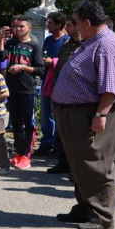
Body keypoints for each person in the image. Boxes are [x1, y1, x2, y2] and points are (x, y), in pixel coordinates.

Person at [51, 0, 115, 229]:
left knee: (96, 162)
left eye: (76, 23)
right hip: (79, 112)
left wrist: (100, 114)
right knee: (80, 162)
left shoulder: (107, 45)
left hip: (98, 111)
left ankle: (101, 215)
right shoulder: (91, 42)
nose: (75, 27)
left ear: (88, 23)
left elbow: (110, 88)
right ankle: (87, 207)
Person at [6, 15, 44, 169]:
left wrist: (22, 68)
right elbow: (2, 58)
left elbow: (40, 69)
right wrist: (2, 40)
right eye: (16, 27)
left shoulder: (34, 46)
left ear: (29, 28)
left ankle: (26, 155)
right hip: (12, 89)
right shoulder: (11, 43)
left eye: (22, 26)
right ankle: (18, 152)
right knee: (16, 123)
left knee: (28, 123)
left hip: (27, 89)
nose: (18, 29)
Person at [46, 14, 81, 176]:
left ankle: (76, 168)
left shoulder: (85, 45)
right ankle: (63, 163)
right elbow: (59, 68)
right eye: (65, 25)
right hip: (61, 93)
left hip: (76, 96)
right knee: (61, 133)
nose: (65, 29)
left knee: (75, 136)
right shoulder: (67, 43)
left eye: (69, 26)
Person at [34, 11, 69, 157]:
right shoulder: (48, 40)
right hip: (46, 79)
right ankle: (46, 142)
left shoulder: (66, 41)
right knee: (45, 112)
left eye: (50, 23)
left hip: (59, 81)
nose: (48, 25)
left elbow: (68, 60)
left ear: (59, 25)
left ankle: (57, 143)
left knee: (56, 114)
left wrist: (53, 61)